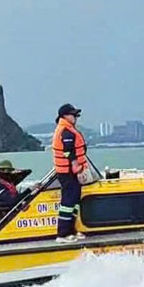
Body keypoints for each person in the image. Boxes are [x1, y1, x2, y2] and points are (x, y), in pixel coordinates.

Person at [51, 103, 88, 241]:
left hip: (71, 172)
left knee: (75, 200)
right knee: (68, 202)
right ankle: (63, 233)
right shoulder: (65, 131)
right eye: (73, 115)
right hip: (67, 172)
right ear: (65, 116)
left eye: (76, 115)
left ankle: (71, 230)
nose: (76, 117)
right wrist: (75, 165)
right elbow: (68, 151)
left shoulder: (69, 129)